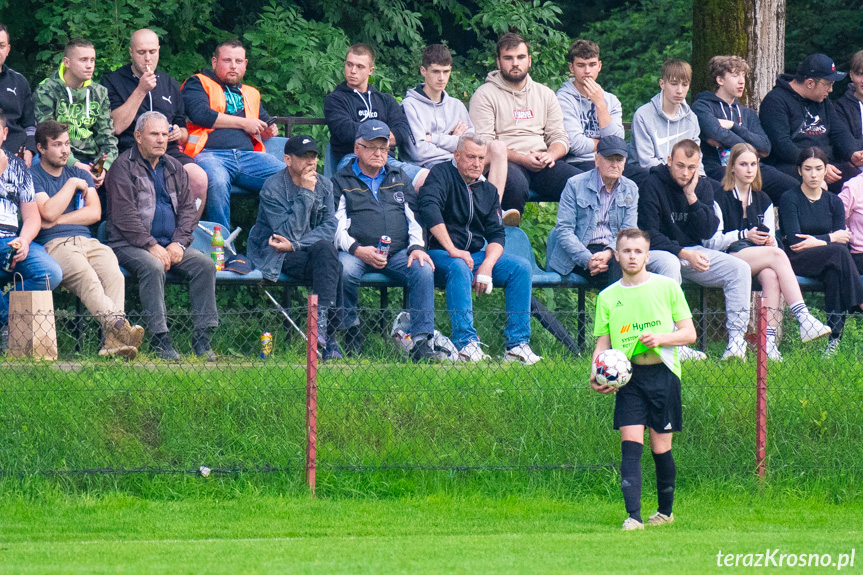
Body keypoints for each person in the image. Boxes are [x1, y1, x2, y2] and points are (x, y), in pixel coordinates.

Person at [590, 228, 697, 531]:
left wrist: (660, 338)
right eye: (627, 251)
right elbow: (603, 342)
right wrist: (595, 372)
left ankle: (665, 512)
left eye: (638, 251)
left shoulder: (667, 287)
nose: (632, 256)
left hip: (663, 374)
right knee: (630, 445)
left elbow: (689, 333)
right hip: (629, 379)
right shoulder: (608, 296)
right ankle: (633, 516)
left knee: (660, 448)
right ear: (618, 254)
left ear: (648, 255)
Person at [105, 111, 218, 360]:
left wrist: (179, 243)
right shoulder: (122, 167)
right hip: (127, 243)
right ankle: (160, 340)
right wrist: (151, 245)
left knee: (205, 265)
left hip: (170, 244)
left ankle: (202, 339)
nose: (160, 140)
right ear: (138, 136)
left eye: (164, 134)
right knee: (154, 267)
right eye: (154, 134)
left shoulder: (175, 166)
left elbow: (189, 210)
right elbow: (125, 216)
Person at [419, 133, 541, 364]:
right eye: (470, 157)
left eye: (481, 158)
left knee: (521, 268)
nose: (476, 163)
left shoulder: (488, 191)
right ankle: (465, 343)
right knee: (458, 265)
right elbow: (430, 210)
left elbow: (497, 234)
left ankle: (516, 345)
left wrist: (487, 264)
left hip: (475, 254)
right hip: (441, 252)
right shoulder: (441, 174)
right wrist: (452, 249)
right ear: (457, 155)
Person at [703, 143, 831, 360]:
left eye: (753, 164)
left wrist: (769, 240)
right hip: (727, 257)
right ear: (732, 167)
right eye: (743, 164)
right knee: (778, 255)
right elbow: (712, 242)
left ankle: (768, 343)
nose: (749, 169)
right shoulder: (719, 197)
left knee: (772, 274)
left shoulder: (764, 199)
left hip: (757, 257)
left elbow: (771, 245)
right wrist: (744, 235)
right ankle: (804, 317)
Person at [31, 120, 145, 359]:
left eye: (67, 144)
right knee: (87, 277)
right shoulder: (34, 176)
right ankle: (119, 327)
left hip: (88, 241)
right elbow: (47, 211)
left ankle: (112, 345)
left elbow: (94, 213)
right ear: (41, 148)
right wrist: (71, 185)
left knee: (113, 273)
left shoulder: (80, 171)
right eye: (57, 145)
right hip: (55, 244)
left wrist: (56, 219)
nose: (65, 151)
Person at [332, 120, 439, 362]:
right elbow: (335, 227)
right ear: (357, 148)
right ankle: (351, 331)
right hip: (354, 252)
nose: (379, 153)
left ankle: (421, 341)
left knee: (423, 268)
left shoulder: (399, 176)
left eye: (384, 148)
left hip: (398, 253)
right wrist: (358, 250)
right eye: (371, 147)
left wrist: (417, 247)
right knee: (344, 269)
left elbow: (415, 218)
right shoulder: (341, 180)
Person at [637, 139, 752, 360]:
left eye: (691, 167)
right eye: (680, 165)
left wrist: (692, 197)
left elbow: (708, 230)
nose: (685, 172)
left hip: (693, 251)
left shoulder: (702, 186)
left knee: (739, 269)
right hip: (660, 252)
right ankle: (674, 343)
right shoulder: (652, 184)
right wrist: (682, 252)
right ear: (669, 160)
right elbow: (648, 234)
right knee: (670, 264)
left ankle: (737, 343)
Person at [247, 135, 343, 361]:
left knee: (328, 253)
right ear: (288, 160)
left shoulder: (326, 184)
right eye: (304, 157)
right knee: (331, 264)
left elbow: (329, 227)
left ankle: (322, 327)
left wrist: (298, 244)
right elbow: (285, 236)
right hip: (276, 254)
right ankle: (329, 338)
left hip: (305, 250)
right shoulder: (273, 188)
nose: (311, 162)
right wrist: (307, 194)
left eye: (314, 156)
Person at [469, 32, 578, 226]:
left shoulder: (545, 94)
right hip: (507, 163)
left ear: (529, 60)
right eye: (508, 58)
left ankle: (576, 239)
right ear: (498, 62)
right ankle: (503, 242)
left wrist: (551, 155)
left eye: (520, 57)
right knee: (516, 185)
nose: (515, 63)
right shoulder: (485, 95)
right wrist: (522, 159)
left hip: (542, 161)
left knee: (578, 182)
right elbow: (484, 144)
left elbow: (560, 136)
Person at [103, 29, 208, 218]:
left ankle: (184, 236)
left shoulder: (169, 83)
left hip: (168, 150)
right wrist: (141, 90)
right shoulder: (113, 81)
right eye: (141, 52)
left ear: (159, 51)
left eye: (152, 52)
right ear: (131, 52)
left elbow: (183, 129)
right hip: (131, 150)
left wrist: (179, 133)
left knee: (199, 179)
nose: (147, 58)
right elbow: (116, 126)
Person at [181, 38, 284, 229]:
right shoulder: (198, 83)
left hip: (248, 157)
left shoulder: (251, 93)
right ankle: (222, 249)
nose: (233, 66)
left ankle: (274, 240)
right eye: (227, 60)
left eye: (238, 62)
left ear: (245, 65)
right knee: (218, 182)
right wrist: (244, 123)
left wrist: (270, 129)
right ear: (214, 62)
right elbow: (201, 115)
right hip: (210, 154)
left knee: (290, 177)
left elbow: (266, 123)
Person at [778, 147, 863, 357]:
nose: (813, 174)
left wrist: (817, 241)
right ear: (799, 171)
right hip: (796, 259)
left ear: (826, 170)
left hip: (827, 259)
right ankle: (860, 301)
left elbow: (843, 242)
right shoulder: (790, 198)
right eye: (808, 169)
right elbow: (796, 240)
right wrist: (830, 238)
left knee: (835, 272)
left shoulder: (833, 201)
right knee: (837, 254)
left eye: (818, 169)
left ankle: (834, 340)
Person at [402, 44, 507, 195]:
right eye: (436, 72)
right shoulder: (409, 105)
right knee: (465, 169)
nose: (441, 78)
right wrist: (455, 144)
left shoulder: (456, 105)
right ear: (423, 71)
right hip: (426, 168)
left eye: (446, 72)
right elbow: (419, 152)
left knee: (498, 147)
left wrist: (435, 139)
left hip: (458, 163)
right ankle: (486, 208)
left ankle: (495, 210)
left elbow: (472, 144)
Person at [692, 55, 798, 203]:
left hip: (753, 169)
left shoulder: (747, 113)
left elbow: (765, 147)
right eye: (735, 76)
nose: (742, 81)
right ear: (720, 80)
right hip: (719, 168)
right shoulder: (703, 106)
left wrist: (733, 126)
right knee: (732, 193)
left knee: (794, 190)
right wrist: (751, 147)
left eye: (743, 75)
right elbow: (715, 133)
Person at [324, 43, 428, 187]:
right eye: (349, 65)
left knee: (427, 178)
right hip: (353, 159)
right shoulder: (335, 99)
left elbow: (402, 132)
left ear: (370, 70)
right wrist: (384, 137)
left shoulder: (385, 100)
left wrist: (367, 140)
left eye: (360, 67)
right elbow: (345, 131)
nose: (353, 71)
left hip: (387, 160)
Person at [0, 112, 63, 345]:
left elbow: (32, 218)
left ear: (5, 134)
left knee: (50, 273)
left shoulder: (18, 167)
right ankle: (9, 323)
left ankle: (6, 316)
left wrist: (24, 241)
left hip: (9, 240)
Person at [759, 54, 860, 193]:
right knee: (814, 184)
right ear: (810, 83)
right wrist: (817, 166)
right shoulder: (775, 101)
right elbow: (782, 146)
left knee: (857, 181)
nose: (831, 90)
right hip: (794, 165)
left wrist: (852, 152)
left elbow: (839, 131)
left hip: (826, 164)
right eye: (828, 84)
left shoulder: (823, 101)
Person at [546, 135, 637, 287]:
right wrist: (588, 259)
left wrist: (608, 253)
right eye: (609, 159)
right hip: (579, 251)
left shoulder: (631, 189)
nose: (615, 165)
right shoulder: (575, 185)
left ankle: (614, 309)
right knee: (621, 273)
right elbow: (564, 230)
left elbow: (629, 231)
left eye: (619, 160)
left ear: (625, 163)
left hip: (613, 251)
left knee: (627, 266)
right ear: (596, 160)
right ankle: (617, 310)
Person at [556, 39, 648, 186]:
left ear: (599, 66)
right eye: (581, 65)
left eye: (592, 65)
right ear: (571, 68)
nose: (587, 71)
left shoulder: (610, 100)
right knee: (598, 180)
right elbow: (576, 145)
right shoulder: (563, 99)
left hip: (613, 161)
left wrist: (600, 104)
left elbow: (618, 140)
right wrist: (606, 144)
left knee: (647, 178)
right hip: (581, 163)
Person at [33, 38, 118, 189]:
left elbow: (107, 138)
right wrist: (75, 164)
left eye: (92, 60)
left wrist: (101, 167)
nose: (89, 65)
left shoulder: (100, 92)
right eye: (83, 60)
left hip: (92, 160)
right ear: (67, 62)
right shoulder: (47, 90)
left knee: (119, 172)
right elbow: (46, 136)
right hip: (59, 156)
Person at [631, 60, 706, 178]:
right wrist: (677, 174)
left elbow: (696, 159)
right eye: (674, 83)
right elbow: (646, 162)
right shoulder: (643, 115)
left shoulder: (692, 119)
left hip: (683, 176)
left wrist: (699, 177)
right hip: (650, 175)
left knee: (713, 189)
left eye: (684, 85)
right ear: (662, 84)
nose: (679, 90)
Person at [0, 25, 36, 167]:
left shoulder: (19, 82)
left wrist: (29, 150)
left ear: (8, 49)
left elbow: (30, 125)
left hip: (17, 153)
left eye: (1, 46)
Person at [834, 50, 863, 161]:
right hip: (854, 169)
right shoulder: (840, 107)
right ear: (851, 75)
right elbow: (845, 144)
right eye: (860, 74)